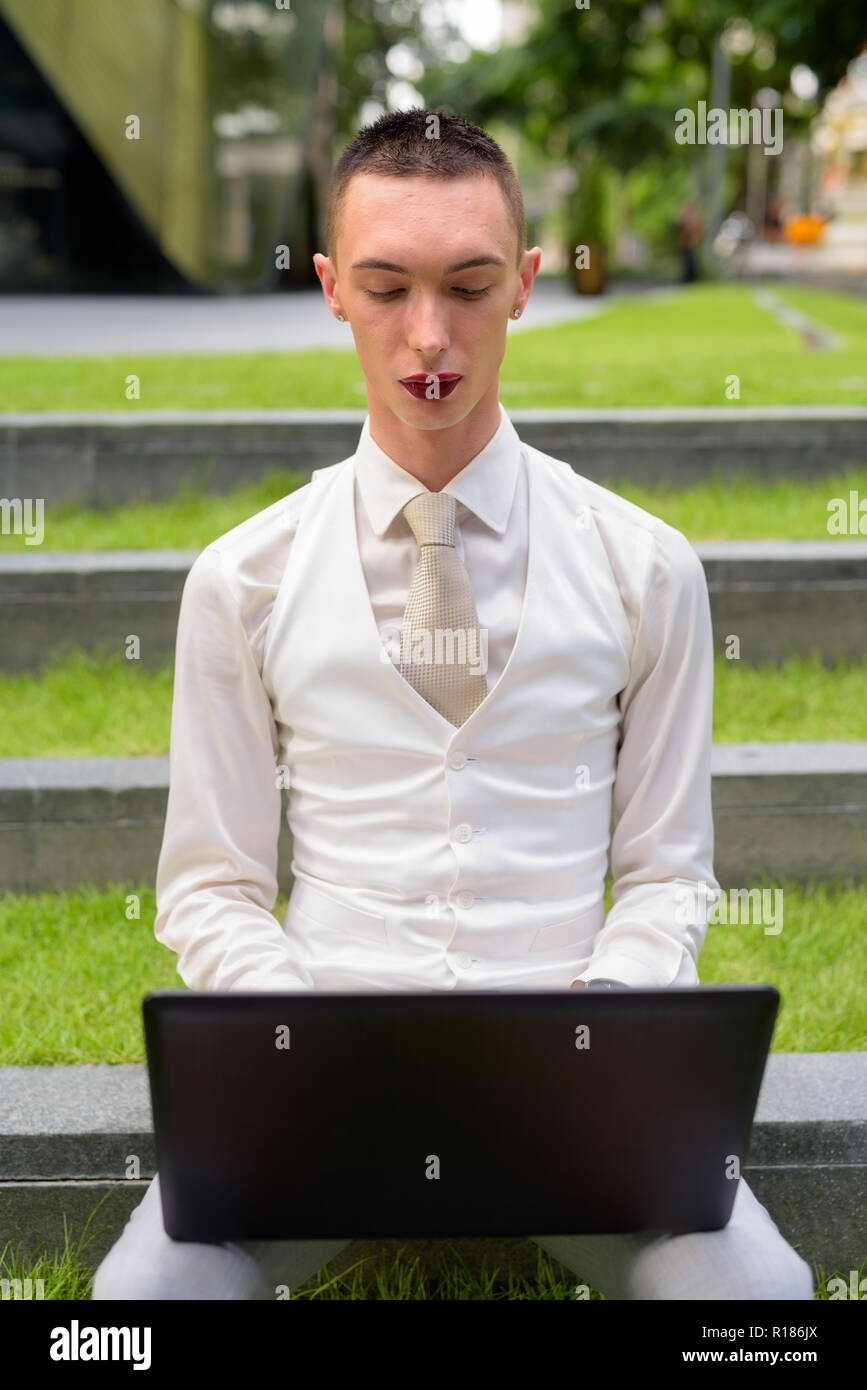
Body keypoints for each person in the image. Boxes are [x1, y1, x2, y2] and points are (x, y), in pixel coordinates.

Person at [92, 109, 813, 1301]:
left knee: (762, 1306)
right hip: (312, 1094)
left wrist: (612, 1021)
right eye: (387, 289)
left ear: (526, 284)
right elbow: (211, 883)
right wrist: (301, 1038)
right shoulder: (243, 577)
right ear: (330, 288)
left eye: (471, 287)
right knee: (137, 1312)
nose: (430, 337)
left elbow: (668, 870)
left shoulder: (647, 568)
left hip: (585, 1106)